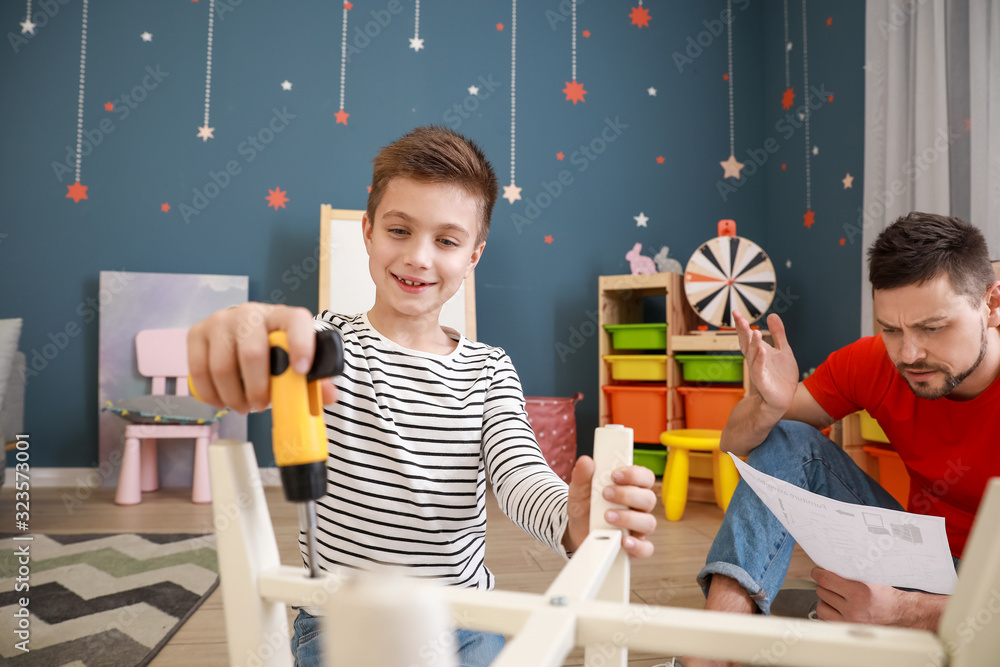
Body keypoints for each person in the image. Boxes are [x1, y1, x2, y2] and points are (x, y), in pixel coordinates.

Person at [187, 126, 658, 667]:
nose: (418, 257)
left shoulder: (489, 371)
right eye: (399, 230)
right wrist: (238, 327)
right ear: (367, 231)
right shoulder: (321, 345)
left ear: (473, 256)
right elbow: (262, 341)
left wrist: (571, 517)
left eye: (447, 241)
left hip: (463, 621)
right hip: (338, 620)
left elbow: (518, 476)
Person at [683, 212, 1000, 667]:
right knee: (786, 435)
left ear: (991, 305)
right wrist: (767, 406)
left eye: (933, 328)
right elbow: (738, 446)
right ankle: (713, 651)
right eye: (891, 329)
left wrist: (904, 611)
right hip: (921, 561)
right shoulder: (875, 362)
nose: (909, 354)